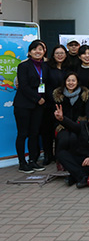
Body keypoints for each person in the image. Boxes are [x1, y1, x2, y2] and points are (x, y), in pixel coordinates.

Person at [13, 40, 48, 173]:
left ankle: (33, 160)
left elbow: (45, 83)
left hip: (38, 106)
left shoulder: (45, 66)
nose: (37, 51)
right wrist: (37, 98)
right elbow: (23, 86)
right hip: (24, 104)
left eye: (40, 49)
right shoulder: (24, 66)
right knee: (23, 133)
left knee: (34, 133)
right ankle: (22, 162)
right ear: (29, 52)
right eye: (35, 49)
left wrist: (42, 99)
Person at [42, 45, 68, 165]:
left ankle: (59, 155)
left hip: (64, 103)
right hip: (49, 103)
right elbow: (43, 83)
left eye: (62, 53)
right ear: (53, 55)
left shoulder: (68, 68)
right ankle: (48, 155)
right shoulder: (47, 67)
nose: (60, 55)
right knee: (47, 130)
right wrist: (49, 98)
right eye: (57, 53)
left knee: (61, 129)